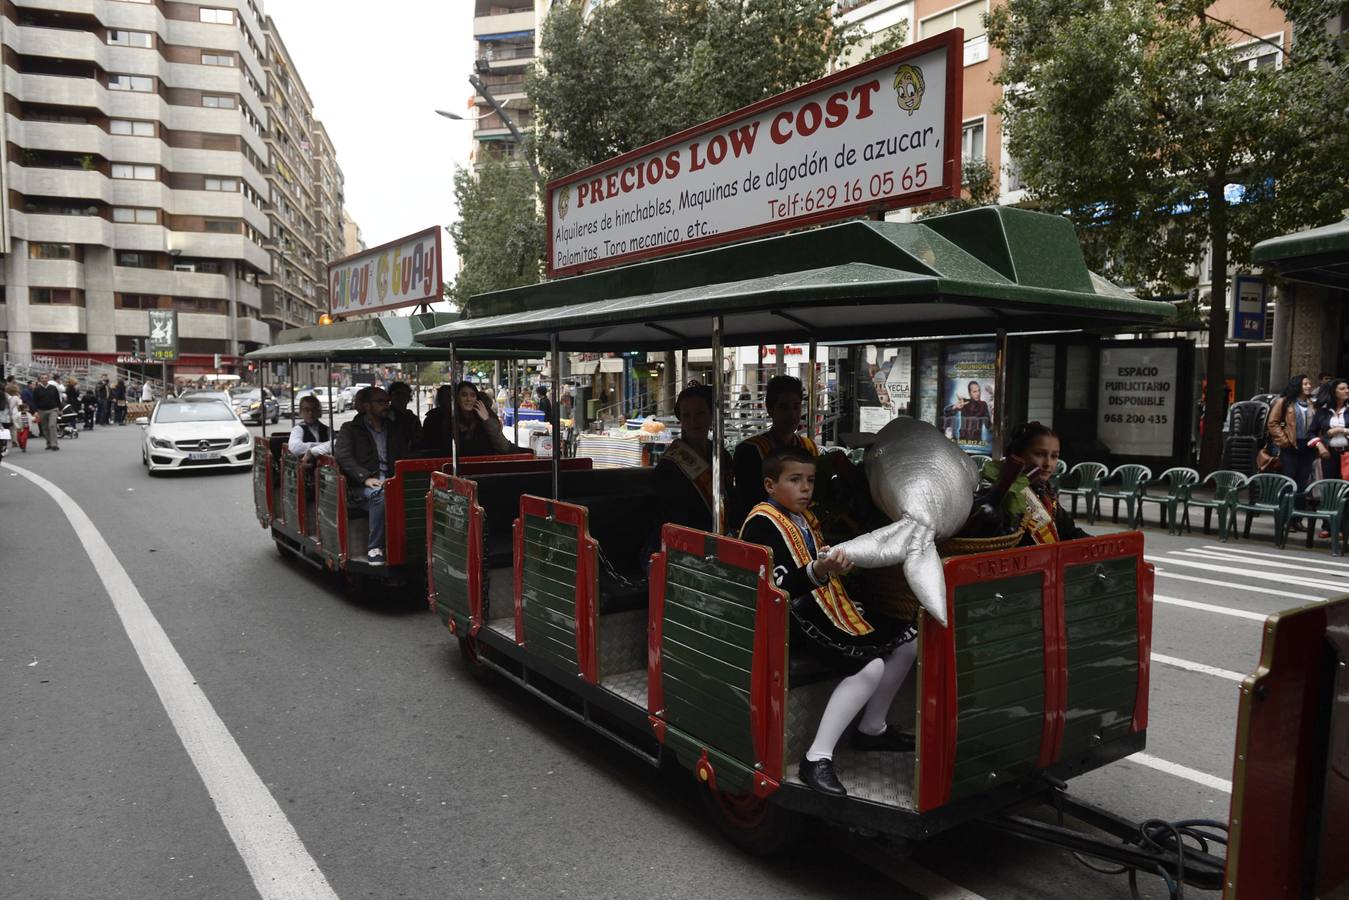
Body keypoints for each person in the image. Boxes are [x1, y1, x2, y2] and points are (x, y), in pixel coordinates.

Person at [740, 447, 916, 796]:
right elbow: (778, 589)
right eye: (795, 480)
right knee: (870, 666)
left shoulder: (803, 519)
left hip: (824, 606)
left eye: (809, 481)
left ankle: (872, 727)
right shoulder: (762, 522)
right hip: (789, 620)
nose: (805, 489)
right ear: (770, 485)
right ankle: (816, 757)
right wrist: (820, 571)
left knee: (910, 639)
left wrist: (835, 564)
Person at [648, 385, 736, 557]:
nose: (693, 421)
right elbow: (672, 516)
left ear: (712, 415)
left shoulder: (722, 454)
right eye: (686, 415)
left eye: (700, 413)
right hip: (681, 545)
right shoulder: (670, 465)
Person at [967, 422, 1088, 545]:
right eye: (1039, 454)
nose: (1048, 463)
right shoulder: (1001, 495)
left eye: (1054, 456)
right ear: (1018, 455)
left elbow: (1069, 532)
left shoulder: (1046, 494)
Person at [333, 386, 412, 563]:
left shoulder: (394, 428)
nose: (386, 406)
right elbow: (343, 456)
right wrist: (365, 477)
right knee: (380, 496)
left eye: (387, 402)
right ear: (367, 406)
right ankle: (375, 547)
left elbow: (405, 454)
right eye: (381, 402)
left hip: (392, 480)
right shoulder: (350, 429)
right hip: (362, 486)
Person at [733, 375, 818, 522]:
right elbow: (748, 502)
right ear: (770, 409)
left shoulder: (809, 447)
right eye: (784, 407)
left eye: (796, 407)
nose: (791, 415)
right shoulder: (749, 451)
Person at [1269, 374, 1317, 527]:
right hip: (1290, 446)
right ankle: (1284, 518)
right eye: (1305, 384)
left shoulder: (1312, 404)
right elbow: (1273, 423)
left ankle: (1297, 519)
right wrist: (1284, 441)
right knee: (1289, 482)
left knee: (1303, 484)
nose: (1309, 386)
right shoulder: (1284, 402)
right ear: (1297, 385)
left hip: (1308, 447)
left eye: (1309, 384)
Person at [422, 382, 514, 457]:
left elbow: (504, 447)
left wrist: (487, 420)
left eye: (472, 395)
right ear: (457, 399)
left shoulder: (487, 417)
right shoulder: (448, 419)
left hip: (486, 469)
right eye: (464, 395)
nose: (468, 399)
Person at [1311, 378, 1349, 481]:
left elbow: (1341, 430)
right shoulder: (1323, 411)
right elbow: (1311, 433)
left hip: (1347, 453)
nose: (1347, 390)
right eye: (1342, 388)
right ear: (1333, 392)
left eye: (1347, 388)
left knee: (1346, 487)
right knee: (1329, 485)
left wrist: (1341, 430)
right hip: (1329, 454)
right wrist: (1320, 446)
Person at [287, 395, 333, 466]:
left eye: (314, 409)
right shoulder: (298, 429)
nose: (310, 413)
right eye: (306, 409)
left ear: (319, 411)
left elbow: (336, 447)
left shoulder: (327, 430)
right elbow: (295, 447)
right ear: (300, 412)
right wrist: (324, 446)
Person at [943, 380, 991, 444]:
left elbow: (988, 426)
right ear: (969, 393)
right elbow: (946, 412)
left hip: (976, 441)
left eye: (979, 391)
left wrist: (993, 415)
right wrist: (955, 407)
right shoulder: (964, 403)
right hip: (963, 440)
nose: (978, 393)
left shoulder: (983, 405)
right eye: (974, 391)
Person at [386, 381, 423, 449]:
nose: (400, 397)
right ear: (390, 396)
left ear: (409, 398)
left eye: (403, 394)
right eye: (397, 393)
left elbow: (418, 440)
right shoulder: (383, 416)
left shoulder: (413, 418)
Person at [31, 373, 62, 450]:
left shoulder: (53, 388)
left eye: (45, 378)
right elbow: (34, 401)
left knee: (52, 425)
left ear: (48, 379)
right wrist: (35, 411)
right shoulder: (37, 389)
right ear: (40, 380)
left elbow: (57, 399)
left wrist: (60, 409)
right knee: (45, 428)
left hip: (53, 409)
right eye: (42, 378)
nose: (44, 379)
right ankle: (48, 443)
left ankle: (54, 444)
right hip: (42, 410)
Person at [2, 383, 20, 451]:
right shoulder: (16, 397)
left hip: (6, 414)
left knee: (6, 429)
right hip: (14, 414)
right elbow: (19, 405)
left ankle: (4, 442)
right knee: (13, 429)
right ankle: (14, 441)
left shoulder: (6, 396)